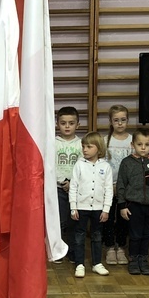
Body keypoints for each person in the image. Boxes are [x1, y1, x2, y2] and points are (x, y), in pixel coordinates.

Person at [116, 127, 149, 276]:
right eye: (139, 144)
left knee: (147, 234)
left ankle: (143, 259)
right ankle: (133, 259)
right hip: (134, 205)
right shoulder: (127, 163)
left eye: (147, 144)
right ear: (132, 145)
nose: (143, 148)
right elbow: (121, 184)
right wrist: (122, 205)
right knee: (135, 234)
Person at [69, 131, 112, 278]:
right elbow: (73, 186)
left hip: (98, 208)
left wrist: (106, 209)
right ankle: (79, 264)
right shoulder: (79, 165)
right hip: (81, 207)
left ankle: (97, 263)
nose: (85, 150)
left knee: (97, 236)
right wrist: (73, 207)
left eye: (89, 147)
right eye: (83, 146)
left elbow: (108, 189)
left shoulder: (105, 166)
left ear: (98, 149)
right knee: (79, 236)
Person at [102, 104, 132, 265]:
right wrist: (109, 186)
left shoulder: (132, 140)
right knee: (107, 218)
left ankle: (120, 247)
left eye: (123, 120)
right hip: (108, 188)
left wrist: (124, 186)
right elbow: (100, 165)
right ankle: (109, 247)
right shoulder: (105, 141)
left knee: (123, 218)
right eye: (116, 120)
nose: (120, 123)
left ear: (127, 120)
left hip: (126, 189)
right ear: (110, 121)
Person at [54, 106, 82, 263]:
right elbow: (50, 165)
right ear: (57, 124)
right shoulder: (53, 143)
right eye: (63, 123)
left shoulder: (81, 144)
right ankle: (57, 251)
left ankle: (72, 251)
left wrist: (72, 182)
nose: (67, 126)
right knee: (58, 221)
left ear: (78, 125)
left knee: (73, 221)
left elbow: (83, 166)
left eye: (71, 123)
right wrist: (63, 181)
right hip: (57, 189)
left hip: (76, 190)